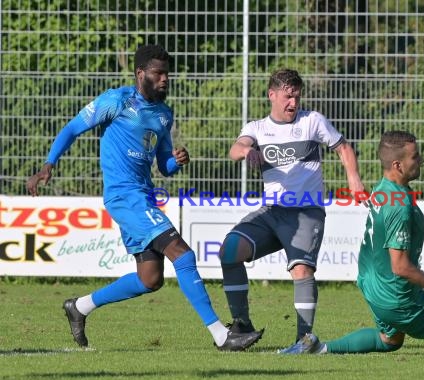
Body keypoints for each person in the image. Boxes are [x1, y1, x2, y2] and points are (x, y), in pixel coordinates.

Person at [26, 44, 263, 351]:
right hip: (124, 197)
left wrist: (176, 161)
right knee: (184, 254)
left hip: (144, 197)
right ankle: (222, 335)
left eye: (168, 73)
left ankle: (80, 306)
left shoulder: (164, 114)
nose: (165, 79)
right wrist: (49, 164)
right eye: (158, 73)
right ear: (141, 74)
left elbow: (163, 166)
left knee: (150, 279)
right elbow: (72, 129)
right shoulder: (117, 100)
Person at [282, 130, 424, 355]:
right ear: (398, 165)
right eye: (415, 157)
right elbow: (400, 266)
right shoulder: (399, 206)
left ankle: (319, 348)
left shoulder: (383, 189)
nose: (421, 160)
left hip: (371, 281)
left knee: (391, 339)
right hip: (393, 293)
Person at [217, 68, 365, 352]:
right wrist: (248, 152)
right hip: (271, 212)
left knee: (301, 269)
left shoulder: (312, 121)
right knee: (230, 250)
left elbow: (343, 148)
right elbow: (236, 148)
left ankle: (304, 340)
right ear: (272, 95)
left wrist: (353, 179)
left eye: (296, 96)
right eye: (287, 97)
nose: (293, 103)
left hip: (306, 212)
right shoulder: (257, 128)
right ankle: (241, 325)